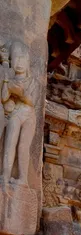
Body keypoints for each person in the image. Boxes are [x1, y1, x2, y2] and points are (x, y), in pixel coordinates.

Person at [2, 41, 35, 185]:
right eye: (16, 58)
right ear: (11, 60)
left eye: (23, 58)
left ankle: (23, 179)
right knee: (10, 143)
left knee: (23, 146)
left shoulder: (32, 80)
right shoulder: (11, 79)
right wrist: (6, 80)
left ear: (28, 62)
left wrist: (19, 92)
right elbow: (3, 98)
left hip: (29, 116)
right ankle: (5, 174)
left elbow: (32, 101)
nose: (19, 62)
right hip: (15, 114)